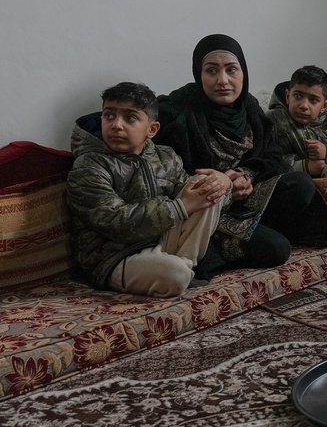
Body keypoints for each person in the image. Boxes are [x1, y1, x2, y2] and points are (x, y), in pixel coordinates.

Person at [155, 34, 327, 276]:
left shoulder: (249, 106)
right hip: (207, 213)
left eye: (231, 70)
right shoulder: (176, 113)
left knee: (301, 184)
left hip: (247, 201)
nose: (222, 80)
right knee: (277, 249)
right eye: (211, 70)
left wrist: (246, 175)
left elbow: (272, 156)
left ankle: (251, 233)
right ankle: (218, 245)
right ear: (198, 73)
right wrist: (224, 185)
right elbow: (166, 176)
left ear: (243, 73)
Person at [67, 82, 228, 297]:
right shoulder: (89, 166)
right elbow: (116, 222)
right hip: (115, 257)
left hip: (160, 241)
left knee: (205, 184)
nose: (116, 125)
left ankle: (182, 265)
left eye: (130, 118)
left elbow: (200, 199)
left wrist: (224, 182)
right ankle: (181, 270)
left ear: (151, 129)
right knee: (175, 274)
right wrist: (179, 208)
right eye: (109, 116)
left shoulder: (166, 156)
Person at [267, 65, 327, 178]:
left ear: (324, 106)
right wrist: (303, 166)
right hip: (292, 182)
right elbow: (262, 158)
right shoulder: (271, 121)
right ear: (287, 96)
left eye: (313, 100)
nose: (304, 105)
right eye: (297, 96)